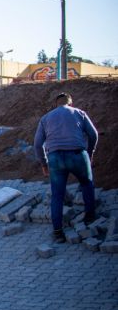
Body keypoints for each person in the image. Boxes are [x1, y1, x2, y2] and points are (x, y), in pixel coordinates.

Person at [34, 92, 98, 242]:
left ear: (56, 104)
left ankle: (58, 232)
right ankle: (90, 217)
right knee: (87, 184)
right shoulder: (79, 113)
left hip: (55, 158)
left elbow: (37, 145)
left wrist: (44, 164)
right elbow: (93, 134)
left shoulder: (46, 118)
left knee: (57, 195)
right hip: (77, 155)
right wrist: (90, 153)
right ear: (70, 103)